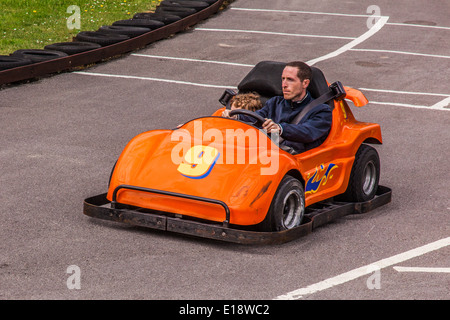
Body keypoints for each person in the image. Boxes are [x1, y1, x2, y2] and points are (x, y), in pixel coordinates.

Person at [222, 61, 332, 154]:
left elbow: (307, 132)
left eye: (290, 80)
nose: (284, 84)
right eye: (283, 79)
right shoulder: (276, 102)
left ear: (305, 83)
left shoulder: (321, 110)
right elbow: (257, 117)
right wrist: (236, 116)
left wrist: (280, 129)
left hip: (296, 160)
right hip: (270, 153)